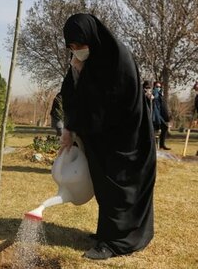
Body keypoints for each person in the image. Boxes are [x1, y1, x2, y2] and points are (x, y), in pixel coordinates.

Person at [59, 14, 156, 260]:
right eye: (71, 47)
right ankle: (107, 233)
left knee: (120, 189)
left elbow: (109, 105)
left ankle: (116, 242)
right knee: (105, 188)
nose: (76, 51)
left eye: (79, 45)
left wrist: (83, 120)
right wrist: (69, 127)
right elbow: (71, 95)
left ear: (92, 37)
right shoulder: (84, 62)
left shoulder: (116, 59)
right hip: (102, 140)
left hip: (126, 140)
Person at [151, 81, 170, 150]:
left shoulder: (161, 95)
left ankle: (162, 145)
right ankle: (152, 146)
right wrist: (154, 94)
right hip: (153, 114)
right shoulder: (153, 93)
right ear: (154, 87)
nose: (158, 88)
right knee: (152, 130)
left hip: (159, 114)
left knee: (164, 127)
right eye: (157, 87)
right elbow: (153, 98)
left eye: (159, 87)